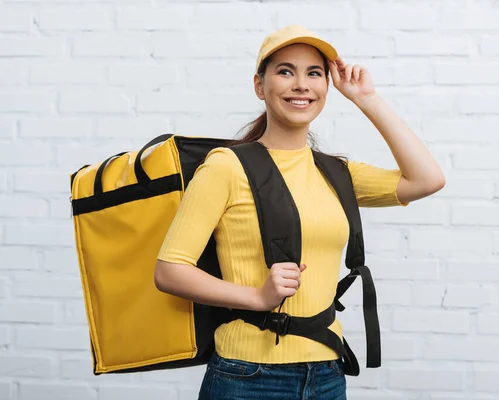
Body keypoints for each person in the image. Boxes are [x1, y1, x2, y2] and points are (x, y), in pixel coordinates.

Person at [153, 25, 445, 400]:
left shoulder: (337, 173)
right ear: (260, 86)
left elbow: (427, 179)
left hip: (326, 372)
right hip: (246, 375)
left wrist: (366, 98)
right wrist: (257, 298)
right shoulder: (226, 167)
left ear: (326, 86)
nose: (301, 85)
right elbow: (170, 270)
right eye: (285, 71)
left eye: (314, 73)